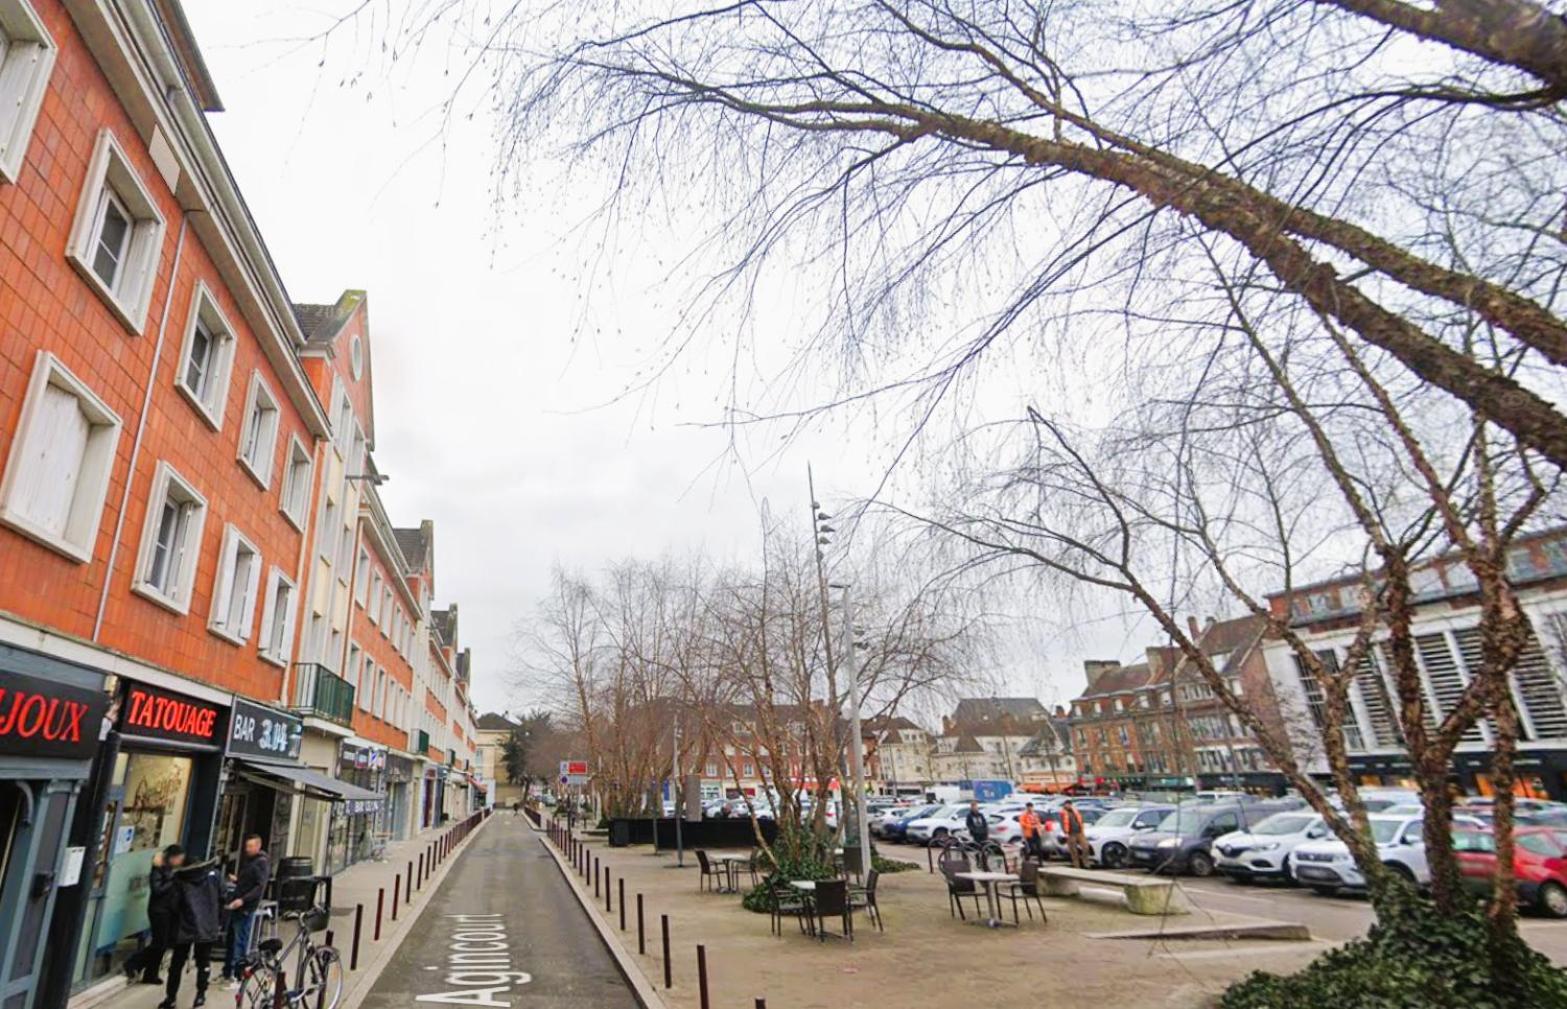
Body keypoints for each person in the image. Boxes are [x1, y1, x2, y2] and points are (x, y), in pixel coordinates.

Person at [162, 857, 223, 1008]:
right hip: (207, 925)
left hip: (184, 927)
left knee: (176, 964)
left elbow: (173, 904)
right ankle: (200, 995)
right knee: (204, 962)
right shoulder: (214, 876)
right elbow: (223, 896)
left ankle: (171, 998)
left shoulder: (180, 880)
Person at [124, 845, 184, 984]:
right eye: (178, 859)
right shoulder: (158, 869)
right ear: (172, 857)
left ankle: (151, 973)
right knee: (159, 943)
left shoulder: (169, 869)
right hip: (159, 910)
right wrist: (173, 880)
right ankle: (134, 962)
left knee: (162, 943)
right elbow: (157, 889)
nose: (179, 862)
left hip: (168, 910)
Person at [222, 835, 270, 987]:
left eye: (250, 846)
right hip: (238, 905)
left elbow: (259, 887)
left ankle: (238, 975)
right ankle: (227, 972)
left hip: (245, 908)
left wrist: (243, 900)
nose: (247, 849)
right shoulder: (250, 861)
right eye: (246, 846)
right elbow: (251, 882)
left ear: (258, 846)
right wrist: (238, 880)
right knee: (232, 939)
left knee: (239, 941)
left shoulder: (261, 863)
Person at [1060, 800, 1088, 868]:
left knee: (1086, 847)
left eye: (1069, 804)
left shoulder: (1075, 811)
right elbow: (1062, 823)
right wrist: (1065, 832)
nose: (1068, 806)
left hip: (1079, 832)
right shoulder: (1063, 813)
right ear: (1064, 805)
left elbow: (1080, 820)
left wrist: (1082, 828)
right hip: (1070, 833)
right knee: (1073, 850)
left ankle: (1085, 862)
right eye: (1066, 804)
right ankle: (1076, 865)